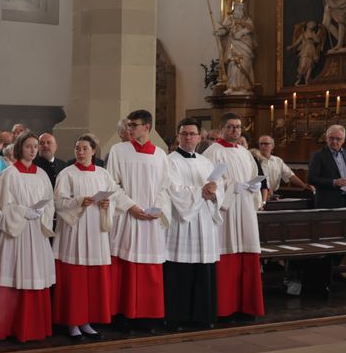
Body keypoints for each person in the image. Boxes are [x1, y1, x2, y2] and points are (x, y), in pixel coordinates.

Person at [106, 109, 170, 328]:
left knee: (149, 270)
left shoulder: (161, 155)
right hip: (127, 216)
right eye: (128, 125)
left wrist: (157, 209)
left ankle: (148, 315)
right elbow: (111, 184)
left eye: (134, 125)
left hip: (150, 219)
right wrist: (130, 206)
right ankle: (123, 315)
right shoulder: (118, 150)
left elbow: (164, 187)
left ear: (147, 127)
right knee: (124, 266)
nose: (129, 129)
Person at [52, 135, 118, 340]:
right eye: (77, 148)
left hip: (96, 231)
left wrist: (108, 205)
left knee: (91, 279)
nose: (80, 152)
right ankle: (72, 322)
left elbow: (113, 198)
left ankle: (87, 320)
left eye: (84, 149)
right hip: (75, 231)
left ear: (93, 151)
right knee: (76, 279)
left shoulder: (103, 174)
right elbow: (58, 203)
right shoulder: (67, 174)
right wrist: (80, 201)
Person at [0, 131, 56, 343]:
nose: (33, 150)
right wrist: (22, 212)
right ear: (20, 148)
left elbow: (50, 202)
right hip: (16, 235)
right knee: (15, 274)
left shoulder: (42, 175)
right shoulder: (9, 174)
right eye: (28, 146)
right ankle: (11, 328)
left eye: (35, 147)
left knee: (36, 275)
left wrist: (42, 213)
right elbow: (1, 208)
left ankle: (36, 328)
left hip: (36, 232)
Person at [203, 113, 265, 318]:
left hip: (245, 208)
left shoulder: (245, 153)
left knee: (247, 251)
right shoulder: (213, 152)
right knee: (227, 250)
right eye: (230, 127)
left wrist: (254, 186)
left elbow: (254, 178)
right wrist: (230, 187)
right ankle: (225, 307)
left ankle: (246, 307)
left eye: (238, 127)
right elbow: (210, 182)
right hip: (226, 211)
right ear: (222, 129)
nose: (235, 131)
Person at [164, 119, 222, 330]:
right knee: (180, 271)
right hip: (182, 224)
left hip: (204, 222)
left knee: (203, 270)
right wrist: (201, 191)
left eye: (192, 134)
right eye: (184, 134)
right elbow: (174, 190)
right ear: (178, 136)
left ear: (199, 137)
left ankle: (203, 316)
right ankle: (177, 318)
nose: (188, 137)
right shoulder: (169, 161)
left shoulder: (206, 162)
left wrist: (214, 192)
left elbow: (220, 187)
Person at [307, 124, 346, 209]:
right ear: (326, 138)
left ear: (343, 140)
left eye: (338, 139)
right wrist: (334, 182)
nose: (334, 141)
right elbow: (311, 179)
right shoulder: (318, 156)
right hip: (327, 203)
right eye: (331, 138)